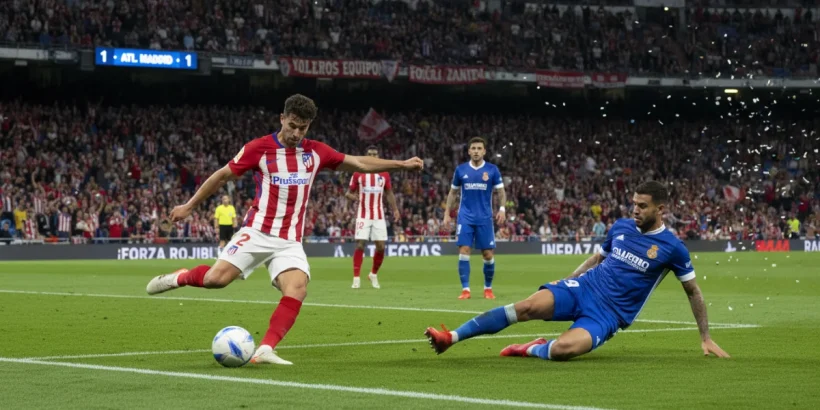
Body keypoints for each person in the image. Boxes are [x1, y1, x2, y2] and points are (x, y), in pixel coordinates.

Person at [145, 94, 423, 365]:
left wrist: (401, 165)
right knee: (215, 280)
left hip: (290, 240)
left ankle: (265, 349)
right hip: (257, 231)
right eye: (292, 125)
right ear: (282, 119)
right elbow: (222, 175)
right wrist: (189, 206)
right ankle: (180, 277)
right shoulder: (259, 148)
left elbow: (360, 162)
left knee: (297, 288)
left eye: (303, 128)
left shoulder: (316, 152)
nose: (296, 133)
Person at [425, 181, 730, 361]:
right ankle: (450, 337)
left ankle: (532, 349)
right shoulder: (621, 226)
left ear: (660, 209)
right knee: (526, 307)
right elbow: (597, 258)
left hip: (609, 314)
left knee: (563, 350)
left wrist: (705, 337)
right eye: (634, 204)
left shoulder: (672, 248)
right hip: (584, 288)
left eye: (642, 206)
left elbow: (693, 291)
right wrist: (569, 280)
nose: (635, 210)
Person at [442, 137, 506, 300]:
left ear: (484, 151)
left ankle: (488, 289)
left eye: (479, 148)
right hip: (465, 217)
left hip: (485, 218)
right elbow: (453, 193)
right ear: (469, 151)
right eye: (473, 148)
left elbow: (501, 191)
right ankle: (466, 290)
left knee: (488, 254)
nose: (476, 151)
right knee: (464, 250)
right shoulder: (461, 170)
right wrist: (447, 213)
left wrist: (502, 209)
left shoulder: (492, 170)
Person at [344, 145, 401, 289]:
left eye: (375, 154)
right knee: (360, 244)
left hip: (378, 215)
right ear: (366, 155)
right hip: (363, 215)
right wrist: (350, 202)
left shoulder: (384, 174)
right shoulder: (358, 173)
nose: (372, 156)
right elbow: (348, 193)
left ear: (378, 156)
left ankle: (373, 274)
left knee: (381, 247)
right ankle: (356, 278)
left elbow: (389, 193)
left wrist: (395, 209)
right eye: (370, 154)